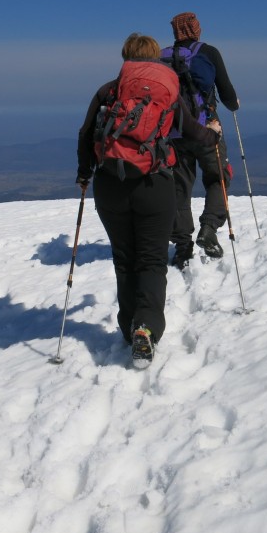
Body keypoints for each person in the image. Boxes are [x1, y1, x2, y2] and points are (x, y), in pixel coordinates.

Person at [77, 33, 221, 366]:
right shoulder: (167, 93)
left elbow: (86, 135)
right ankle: (146, 328)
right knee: (152, 260)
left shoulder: (108, 91)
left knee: (124, 258)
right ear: (156, 57)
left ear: (126, 55)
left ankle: (130, 329)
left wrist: (85, 174)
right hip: (155, 185)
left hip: (110, 184)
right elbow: (193, 133)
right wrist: (213, 131)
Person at [164, 12, 241, 269]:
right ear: (197, 30)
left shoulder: (162, 57)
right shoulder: (209, 52)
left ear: (175, 32)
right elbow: (227, 93)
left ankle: (182, 246)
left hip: (175, 132)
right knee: (218, 176)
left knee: (179, 187)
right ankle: (209, 228)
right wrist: (233, 103)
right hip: (208, 128)